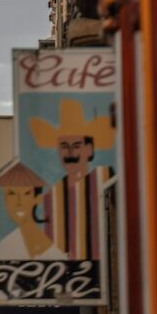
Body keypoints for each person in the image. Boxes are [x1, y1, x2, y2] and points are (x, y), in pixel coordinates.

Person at [28, 98, 115, 261]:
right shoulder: (50, 197)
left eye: (76, 146)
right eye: (64, 147)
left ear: (89, 150)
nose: (70, 154)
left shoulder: (106, 178)